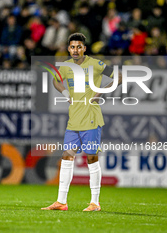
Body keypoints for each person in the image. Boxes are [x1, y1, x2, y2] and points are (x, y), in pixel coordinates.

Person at [41, 33, 122, 212]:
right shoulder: (66, 66)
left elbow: (120, 77)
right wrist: (64, 93)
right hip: (74, 120)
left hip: (91, 118)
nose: (75, 50)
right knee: (67, 158)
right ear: (68, 49)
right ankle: (61, 202)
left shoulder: (95, 64)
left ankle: (95, 203)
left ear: (84, 48)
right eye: (72, 47)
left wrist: (100, 92)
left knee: (91, 158)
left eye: (79, 47)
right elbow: (56, 81)